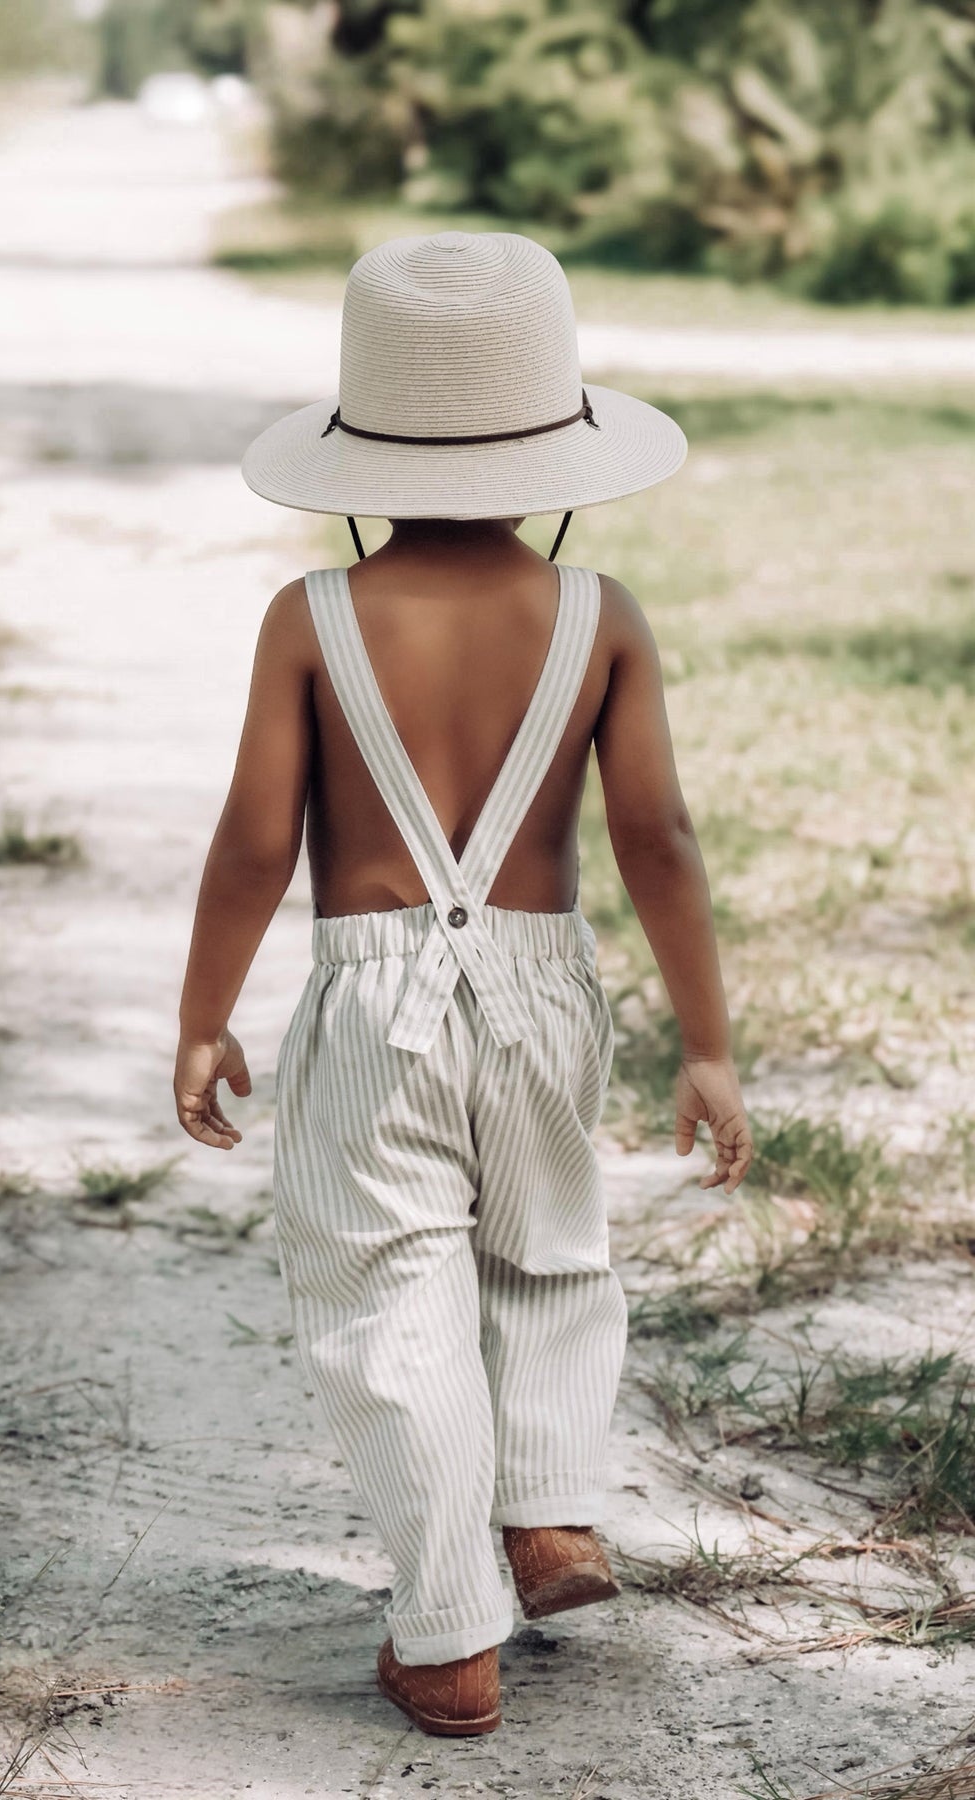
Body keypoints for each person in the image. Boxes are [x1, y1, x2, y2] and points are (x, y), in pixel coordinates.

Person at [174, 230, 753, 1737]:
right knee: (549, 1249)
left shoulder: (311, 618)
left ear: (359, 457)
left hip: (377, 1001)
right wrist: (706, 1046)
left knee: (391, 1294)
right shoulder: (600, 615)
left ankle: (446, 1635)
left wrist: (204, 1013)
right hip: (542, 987)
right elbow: (658, 837)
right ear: (555, 454)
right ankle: (549, 1510)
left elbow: (256, 841)